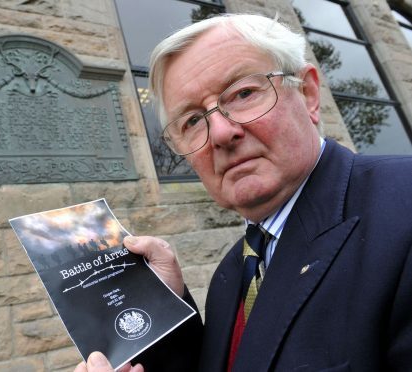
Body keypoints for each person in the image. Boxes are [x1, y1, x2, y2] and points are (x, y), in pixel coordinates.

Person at [75, 13, 412, 371]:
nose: (220, 132)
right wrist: (166, 309)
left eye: (243, 93)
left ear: (309, 93)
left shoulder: (402, 208)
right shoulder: (233, 272)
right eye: (191, 121)